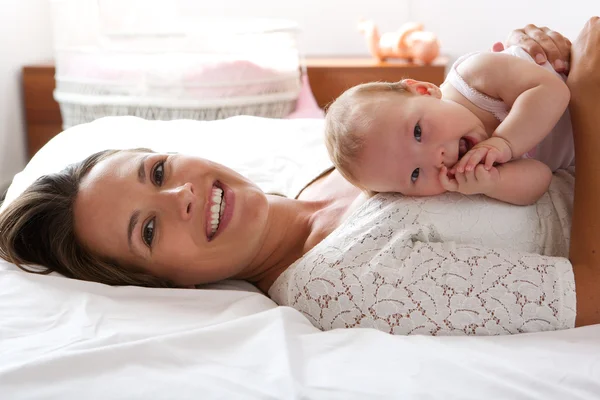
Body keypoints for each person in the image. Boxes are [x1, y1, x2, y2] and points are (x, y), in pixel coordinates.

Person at [0, 20, 597, 336]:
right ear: (163, 285)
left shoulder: (317, 174)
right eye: (149, 231)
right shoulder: (336, 288)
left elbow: (455, 108)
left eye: (157, 172)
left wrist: (527, 63)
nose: (181, 195)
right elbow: (589, 294)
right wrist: (589, 98)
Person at [324, 32, 575, 206]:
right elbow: (541, 177)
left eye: (418, 133)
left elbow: (554, 91)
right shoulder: (472, 169)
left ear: (424, 90)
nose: (435, 158)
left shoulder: (475, 76)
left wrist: (505, 143)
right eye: (414, 174)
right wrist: (494, 183)